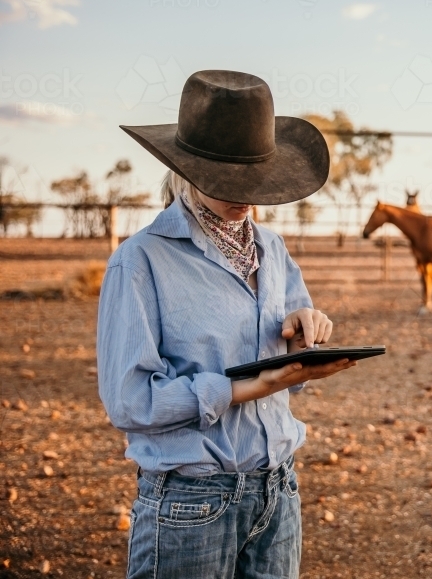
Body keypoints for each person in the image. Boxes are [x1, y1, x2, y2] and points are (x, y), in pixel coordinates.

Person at [97, 69, 353, 578]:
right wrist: (246, 388)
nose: (246, 196)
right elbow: (130, 401)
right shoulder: (140, 261)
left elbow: (293, 346)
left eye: (255, 180)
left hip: (278, 492)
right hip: (192, 500)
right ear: (185, 170)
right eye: (228, 181)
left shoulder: (273, 249)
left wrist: (307, 326)